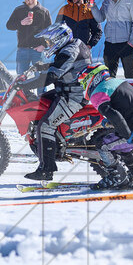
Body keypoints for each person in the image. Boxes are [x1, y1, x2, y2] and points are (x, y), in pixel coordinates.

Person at [22, 23, 91, 181]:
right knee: (40, 103)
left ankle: (47, 170)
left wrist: (25, 85)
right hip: (68, 89)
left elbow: (51, 77)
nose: (49, 45)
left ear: (60, 39)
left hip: (74, 96)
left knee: (46, 126)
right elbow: (64, 66)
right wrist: (43, 66)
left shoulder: (68, 51)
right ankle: (54, 144)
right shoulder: (75, 44)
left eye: (50, 42)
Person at [78, 64, 133, 189]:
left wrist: (126, 134)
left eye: (83, 81)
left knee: (103, 145)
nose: (83, 86)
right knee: (124, 148)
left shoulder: (98, 92)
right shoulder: (116, 81)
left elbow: (115, 115)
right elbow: (125, 106)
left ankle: (118, 178)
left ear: (91, 78)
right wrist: (110, 122)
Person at [91, 0, 133, 78]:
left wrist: (131, 42)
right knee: (109, 76)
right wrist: (93, 7)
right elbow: (100, 18)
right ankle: (111, 95)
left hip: (126, 44)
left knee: (130, 76)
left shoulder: (131, 0)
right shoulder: (106, 1)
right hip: (110, 44)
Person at [5, 0, 53, 73]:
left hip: (38, 51)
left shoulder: (44, 12)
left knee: (41, 79)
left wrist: (43, 46)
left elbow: (50, 32)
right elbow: (9, 25)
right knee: (21, 78)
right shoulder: (19, 10)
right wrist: (21, 23)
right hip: (23, 49)